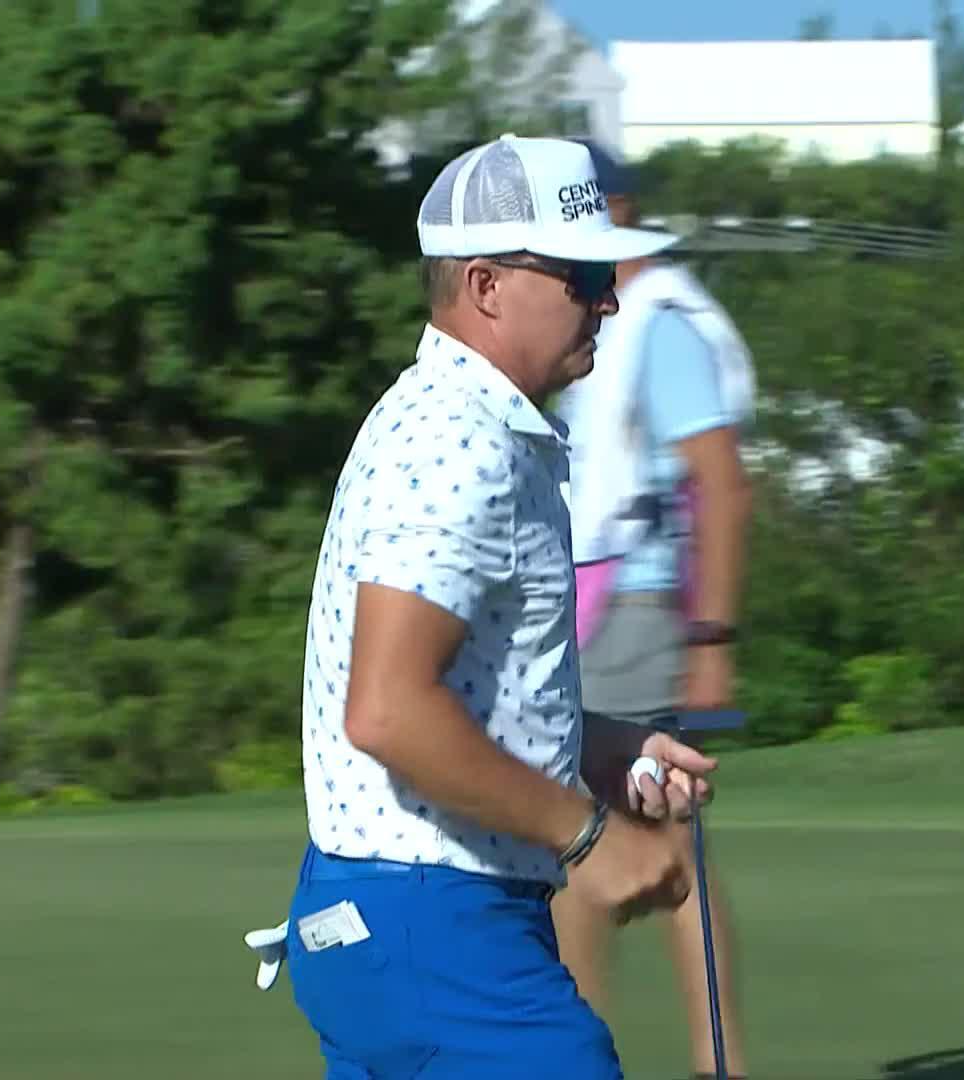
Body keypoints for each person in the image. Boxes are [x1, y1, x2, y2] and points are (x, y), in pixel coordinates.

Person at [276, 133, 721, 1080]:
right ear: (485, 285)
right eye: (579, 274)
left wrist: (600, 745)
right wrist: (591, 837)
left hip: (393, 924)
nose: (608, 297)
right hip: (437, 929)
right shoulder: (457, 446)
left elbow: (461, 685)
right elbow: (389, 710)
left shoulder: (457, 422)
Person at [551, 139, 758, 1080]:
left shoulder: (655, 324)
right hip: (603, 604)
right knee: (666, 850)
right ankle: (718, 1064)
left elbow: (721, 481)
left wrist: (711, 637)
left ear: (620, 211)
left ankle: (579, 1059)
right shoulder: (613, 318)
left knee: (581, 847)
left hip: (631, 609)